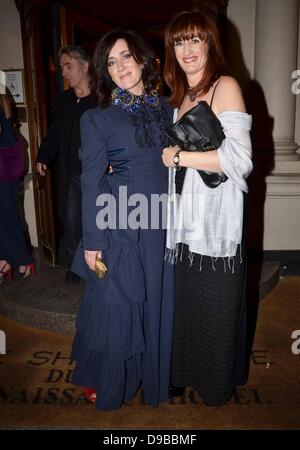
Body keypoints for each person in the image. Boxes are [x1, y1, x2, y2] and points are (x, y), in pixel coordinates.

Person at [70, 29, 174, 411]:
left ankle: (152, 376)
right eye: (111, 62)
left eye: (125, 57)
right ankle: (111, 380)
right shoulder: (99, 119)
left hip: (162, 223)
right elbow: (92, 183)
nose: (120, 68)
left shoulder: (166, 108)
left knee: (153, 303)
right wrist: (93, 240)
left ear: (143, 59)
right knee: (120, 303)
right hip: (123, 225)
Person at [162, 10, 253, 406]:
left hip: (216, 229)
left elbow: (239, 160)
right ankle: (183, 373)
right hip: (184, 225)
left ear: (210, 43)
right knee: (188, 309)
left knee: (215, 311)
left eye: (195, 39)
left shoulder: (225, 86)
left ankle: (215, 384)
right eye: (179, 41)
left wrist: (180, 159)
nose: (187, 49)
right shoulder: (181, 96)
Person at [36, 46, 98, 284]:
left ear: (85, 66)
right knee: (72, 221)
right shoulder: (63, 100)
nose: (63, 72)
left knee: (95, 221)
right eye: (62, 67)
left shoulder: (101, 99)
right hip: (72, 175)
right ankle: (75, 266)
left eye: (68, 66)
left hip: (97, 175)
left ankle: (98, 265)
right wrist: (43, 156)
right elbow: (54, 134)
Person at [0, 92, 34, 283]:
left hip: (3, 165)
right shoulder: (2, 96)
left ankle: (20, 259)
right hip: (9, 161)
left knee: (6, 216)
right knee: (9, 214)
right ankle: (8, 260)